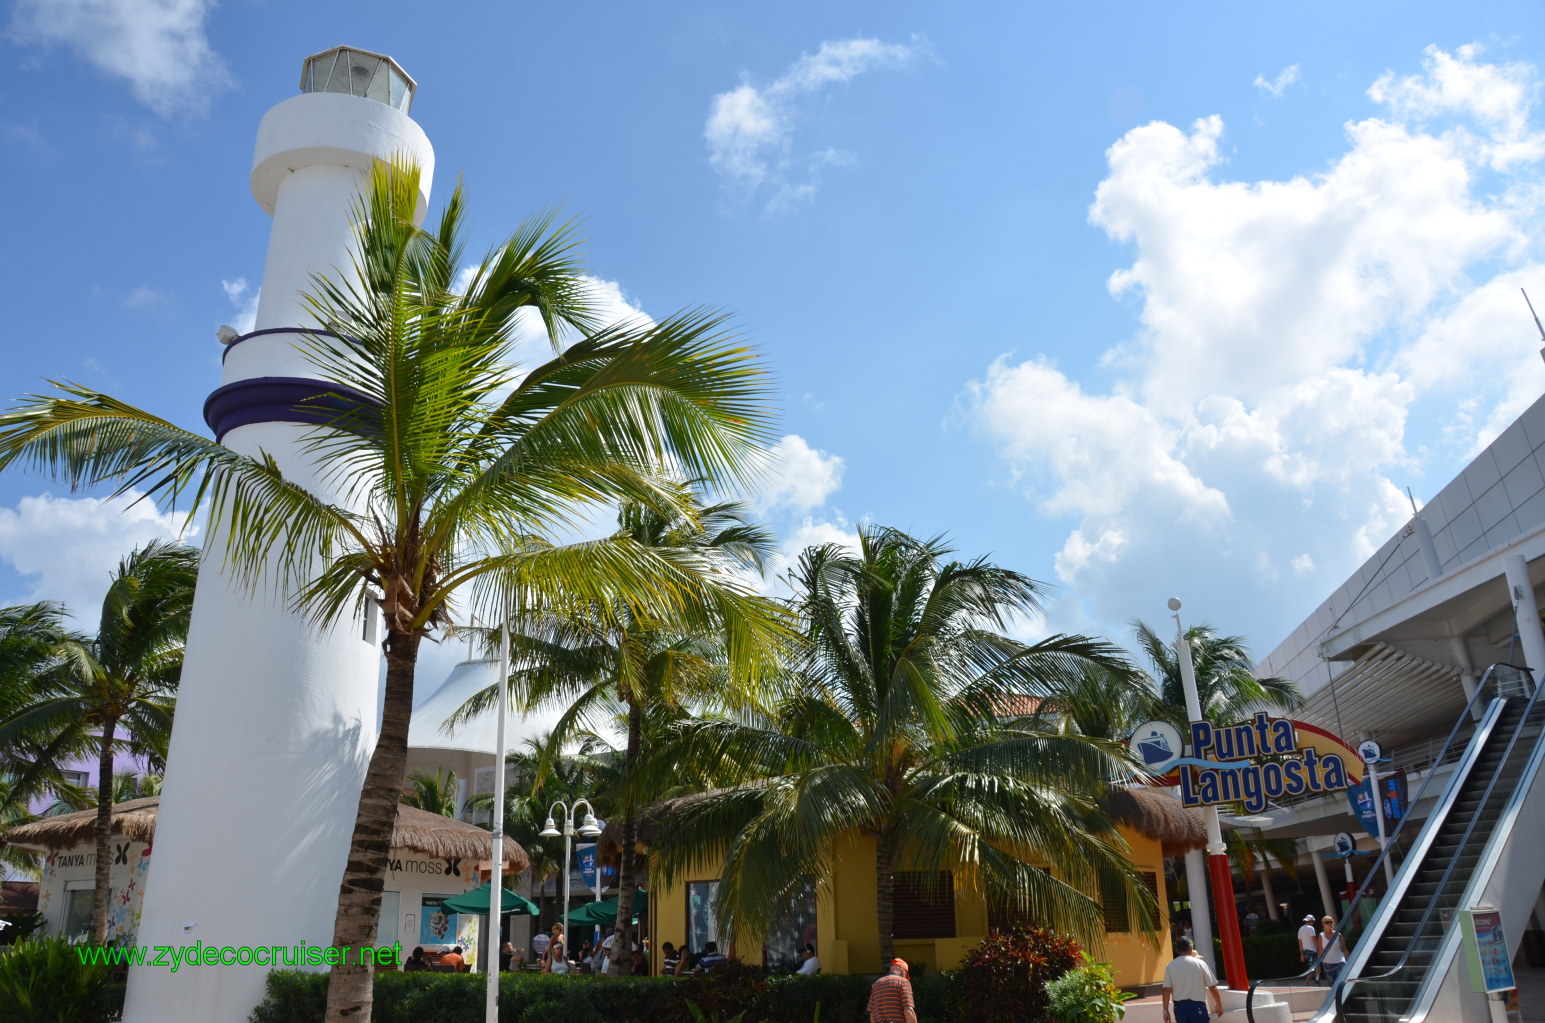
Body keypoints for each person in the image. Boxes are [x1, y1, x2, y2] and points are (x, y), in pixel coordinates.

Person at [1162, 937, 1224, 1023]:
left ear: (1177, 950)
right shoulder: (1201, 963)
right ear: (1191, 948)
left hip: (1179, 1008)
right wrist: (1219, 1004)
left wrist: (1165, 1011)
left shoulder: (1170, 966)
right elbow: (1212, 987)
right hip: (1198, 1006)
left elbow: (1166, 990)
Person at [867, 958, 917, 1023]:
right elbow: (908, 1010)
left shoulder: (876, 984)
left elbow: (872, 1016)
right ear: (903, 970)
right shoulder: (903, 982)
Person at [1318, 916, 1349, 984]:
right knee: (1333, 985)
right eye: (1327, 922)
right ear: (1323, 924)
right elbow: (1320, 951)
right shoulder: (1321, 936)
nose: (1329, 924)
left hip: (1340, 962)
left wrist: (1350, 961)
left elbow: (1344, 949)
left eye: (1331, 922)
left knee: (1343, 983)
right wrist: (1318, 965)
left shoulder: (1338, 935)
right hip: (1327, 964)